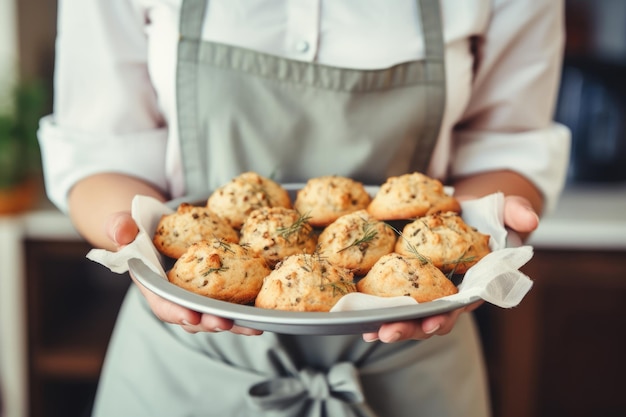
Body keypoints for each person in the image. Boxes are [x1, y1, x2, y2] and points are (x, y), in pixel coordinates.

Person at [37, 0, 570, 416]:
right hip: (187, 358)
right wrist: (128, 235)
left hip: (413, 354)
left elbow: (508, 140)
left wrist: (490, 223)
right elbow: (97, 147)